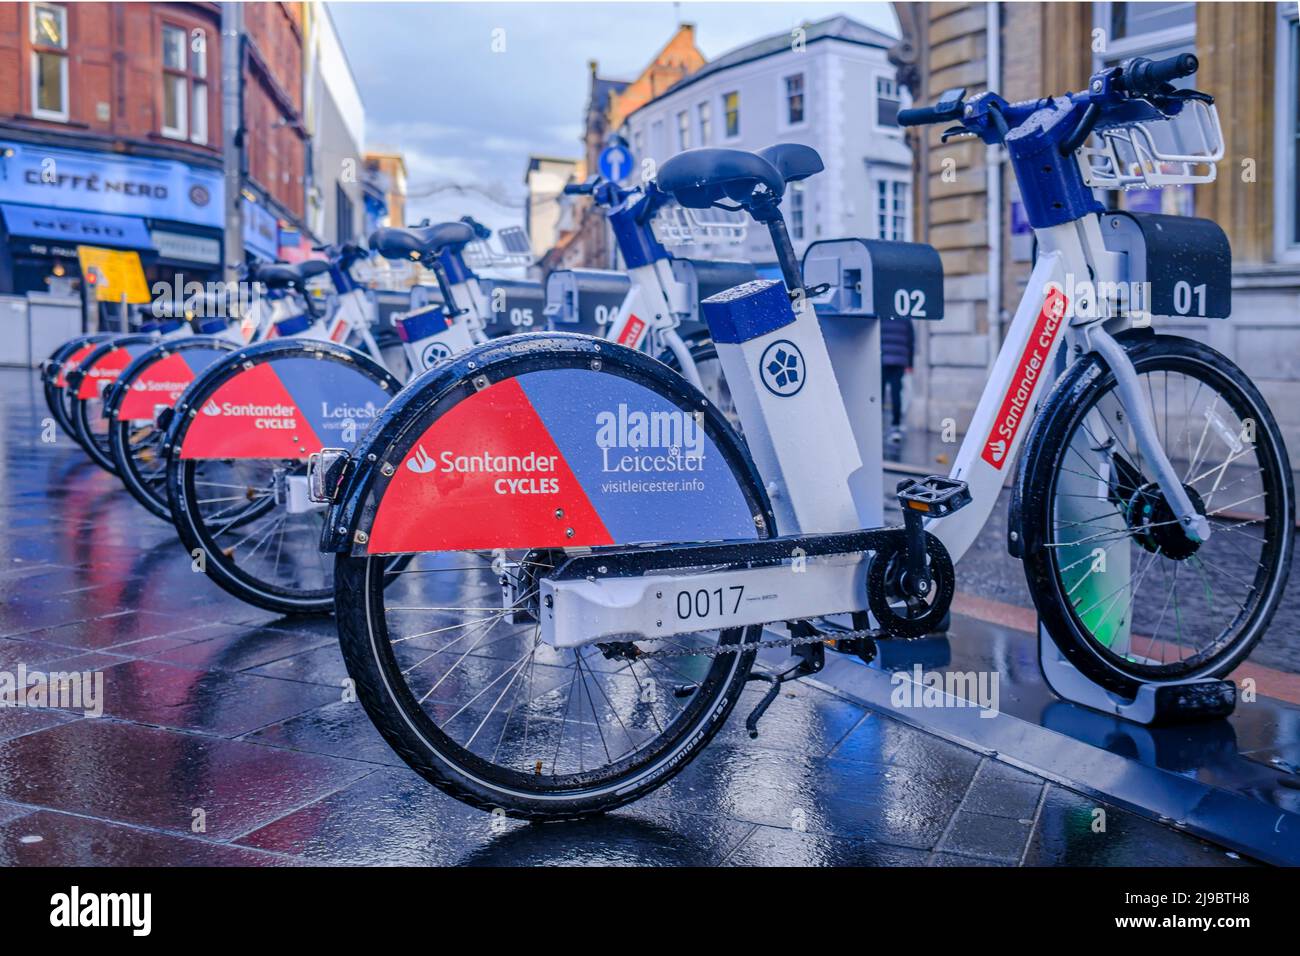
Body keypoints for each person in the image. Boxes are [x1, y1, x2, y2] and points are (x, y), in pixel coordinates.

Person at [880, 315, 914, 444]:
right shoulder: (905, 317)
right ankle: (895, 426)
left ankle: (879, 425)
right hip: (899, 361)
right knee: (896, 394)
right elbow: (911, 341)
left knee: (879, 395)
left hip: (882, 359)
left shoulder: (882, 315)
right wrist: (910, 364)